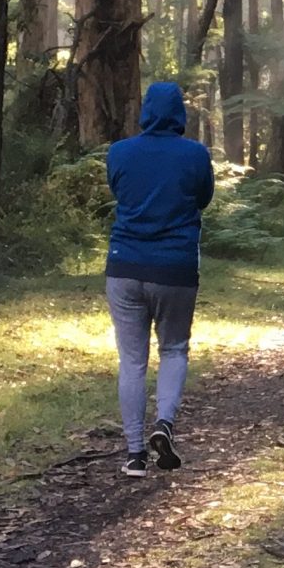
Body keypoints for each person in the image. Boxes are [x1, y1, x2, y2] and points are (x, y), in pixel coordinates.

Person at [105, 80, 215, 477]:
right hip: (176, 269)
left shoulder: (120, 152)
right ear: (180, 112)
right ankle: (164, 424)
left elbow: (119, 191)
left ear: (146, 111)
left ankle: (134, 454)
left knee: (132, 361)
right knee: (174, 349)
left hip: (125, 267)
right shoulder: (195, 155)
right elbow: (204, 198)